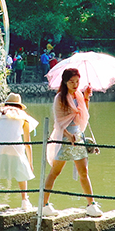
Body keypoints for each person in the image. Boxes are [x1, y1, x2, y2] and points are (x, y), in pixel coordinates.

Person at [42, 68, 103, 217]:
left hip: (78, 136)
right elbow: (58, 121)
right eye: (72, 82)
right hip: (64, 137)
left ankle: (91, 204)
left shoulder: (79, 95)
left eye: (77, 82)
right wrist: (68, 136)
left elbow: (83, 115)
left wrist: (87, 97)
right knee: (55, 172)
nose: (75, 85)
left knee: (84, 171)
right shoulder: (60, 98)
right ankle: (44, 204)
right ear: (65, 82)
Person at [0, 93, 38, 211]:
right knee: (21, 173)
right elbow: (27, 142)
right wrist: (30, 162)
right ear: (19, 106)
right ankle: (24, 202)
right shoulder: (23, 116)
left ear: (6, 104)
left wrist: (1, 137)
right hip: (16, 146)